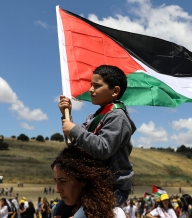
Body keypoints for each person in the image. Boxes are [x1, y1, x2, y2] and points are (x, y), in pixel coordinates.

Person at [58, 65, 137, 206]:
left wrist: (74, 129)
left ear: (115, 91)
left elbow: (103, 149)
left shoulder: (118, 117)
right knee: (58, 210)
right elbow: (73, 144)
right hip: (92, 183)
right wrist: (67, 115)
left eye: (97, 86)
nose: (90, 90)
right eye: (91, 85)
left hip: (112, 187)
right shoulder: (92, 117)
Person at [51, 146, 125, 218]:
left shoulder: (115, 214)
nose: (57, 190)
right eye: (56, 181)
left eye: (63, 181)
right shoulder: (58, 212)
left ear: (83, 180)